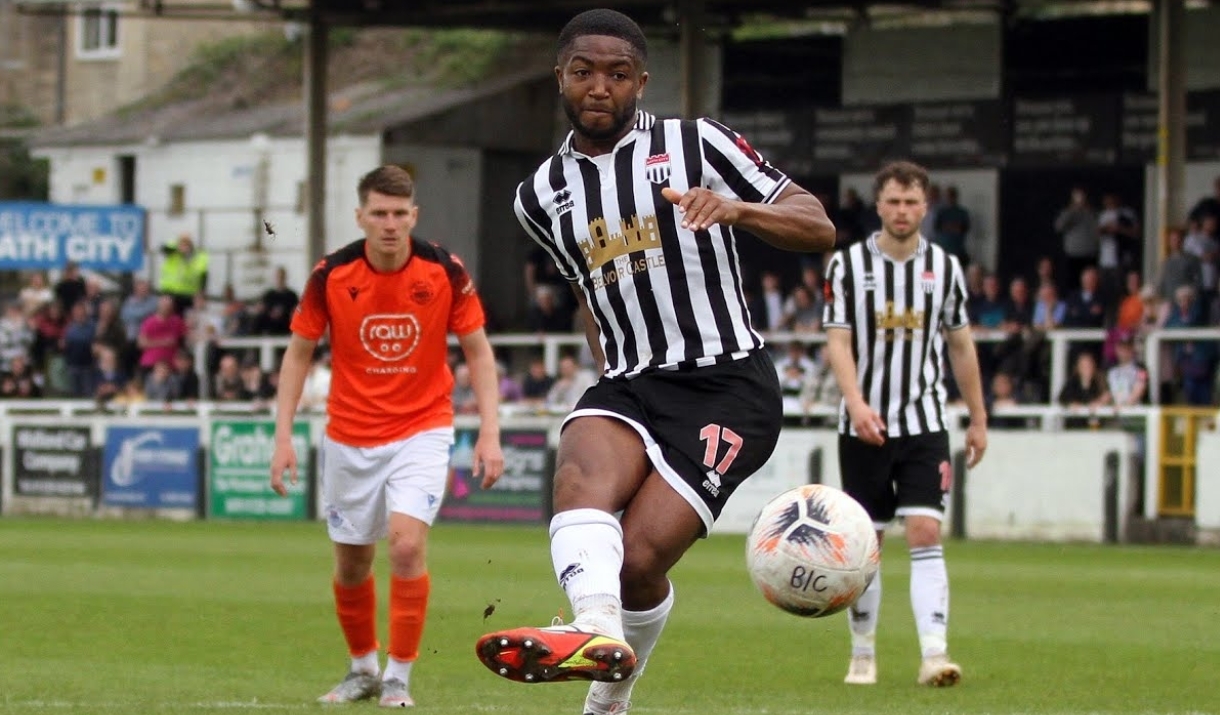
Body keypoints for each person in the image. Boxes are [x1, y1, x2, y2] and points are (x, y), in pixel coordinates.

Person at [473, 9, 836, 715]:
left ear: (641, 80)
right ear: (561, 78)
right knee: (578, 461)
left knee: (639, 562)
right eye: (583, 72)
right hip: (632, 381)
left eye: (616, 73)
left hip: (728, 383)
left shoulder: (698, 143)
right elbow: (585, 286)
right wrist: (609, 369)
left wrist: (735, 209)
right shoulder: (537, 198)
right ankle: (594, 626)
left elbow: (816, 224)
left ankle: (608, 697)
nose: (598, 86)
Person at [268, 165, 505, 708]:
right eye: (379, 213)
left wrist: (489, 432)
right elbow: (298, 354)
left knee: (404, 543)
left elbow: (478, 351)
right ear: (361, 216)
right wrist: (282, 436)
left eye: (400, 213)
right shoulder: (333, 274)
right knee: (352, 562)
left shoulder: (444, 270)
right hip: (349, 434)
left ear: (414, 216)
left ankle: (398, 676)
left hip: (422, 427)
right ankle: (362, 669)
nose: (391, 224)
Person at [822, 160, 987, 688]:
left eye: (912, 202)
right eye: (893, 201)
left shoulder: (946, 267)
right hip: (863, 425)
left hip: (925, 421)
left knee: (924, 530)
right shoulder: (847, 266)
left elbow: (961, 345)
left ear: (926, 206)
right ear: (878, 205)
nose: (902, 211)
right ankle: (863, 652)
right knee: (866, 543)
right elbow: (838, 341)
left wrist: (979, 417)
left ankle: (934, 654)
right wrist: (857, 402)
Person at [158, 233, 209, 315]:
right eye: (181, 244)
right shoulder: (173, 253)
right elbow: (164, 247)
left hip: (190, 294)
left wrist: (201, 293)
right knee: (171, 318)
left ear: (190, 245)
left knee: (189, 319)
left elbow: (203, 275)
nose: (184, 247)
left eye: (186, 244)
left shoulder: (199, 256)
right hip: (170, 292)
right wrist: (176, 246)